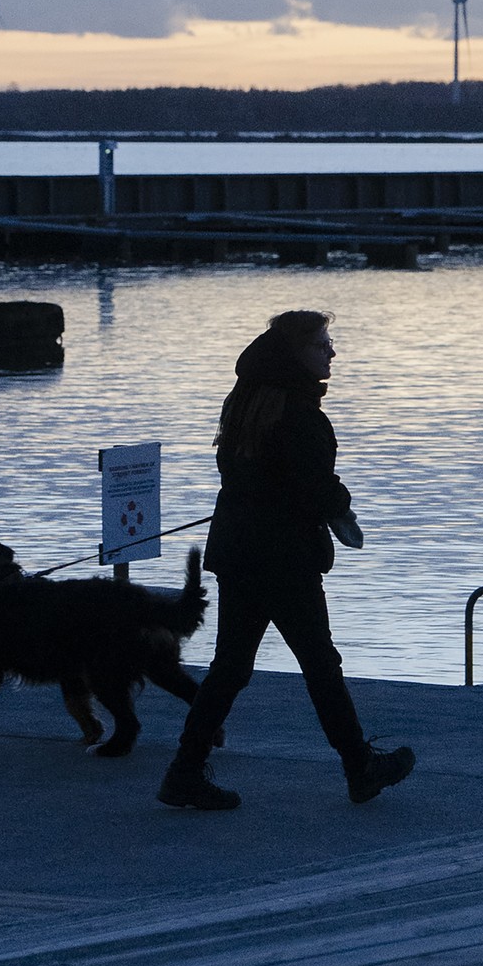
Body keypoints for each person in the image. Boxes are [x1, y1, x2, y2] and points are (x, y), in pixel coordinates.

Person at [158, 309, 415, 813]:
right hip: (283, 557)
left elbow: (256, 477)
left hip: (239, 551)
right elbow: (312, 483)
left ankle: (184, 771)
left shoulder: (247, 402)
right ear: (295, 352)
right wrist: (341, 510)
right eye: (322, 343)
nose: (331, 351)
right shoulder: (296, 412)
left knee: (231, 668)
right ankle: (359, 767)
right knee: (320, 664)